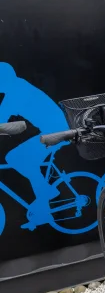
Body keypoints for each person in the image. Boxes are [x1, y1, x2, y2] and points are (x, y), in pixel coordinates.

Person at [0, 62, 69, 229]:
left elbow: (1, 117)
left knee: (16, 158)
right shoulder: (18, 86)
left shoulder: (15, 93)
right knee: (29, 164)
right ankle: (44, 211)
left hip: (55, 132)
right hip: (51, 130)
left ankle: (47, 191)